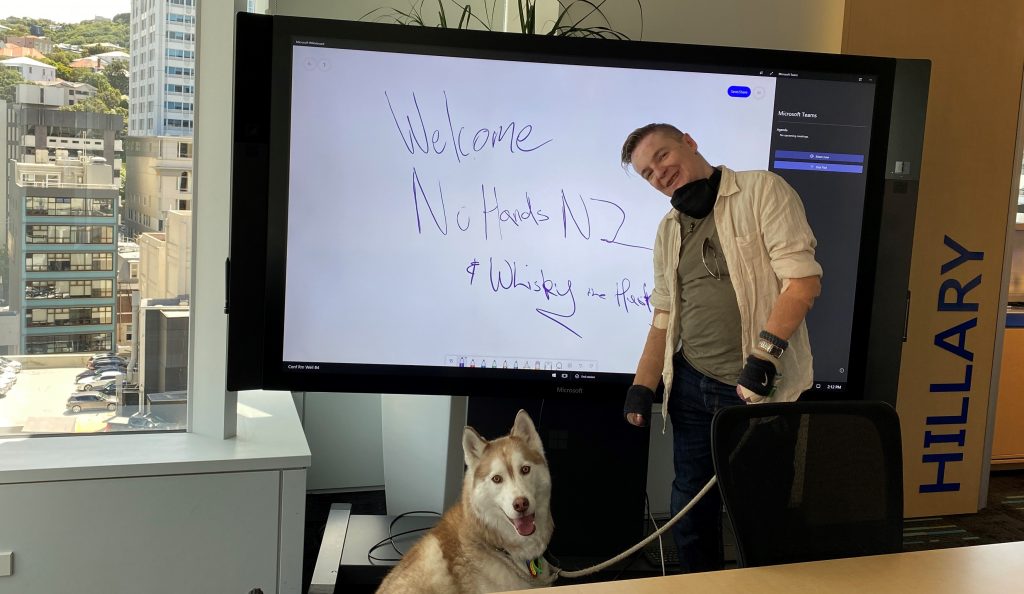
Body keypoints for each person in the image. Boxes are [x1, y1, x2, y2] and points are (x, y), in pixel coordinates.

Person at [619, 123, 822, 573]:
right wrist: (642, 384)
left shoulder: (761, 190)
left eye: (663, 157)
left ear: (689, 142)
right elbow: (664, 314)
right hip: (690, 387)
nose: (660, 174)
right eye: (648, 173)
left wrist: (763, 360)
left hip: (757, 392)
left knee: (762, 513)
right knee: (690, 514)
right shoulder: (668, 229)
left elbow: (802, 281)